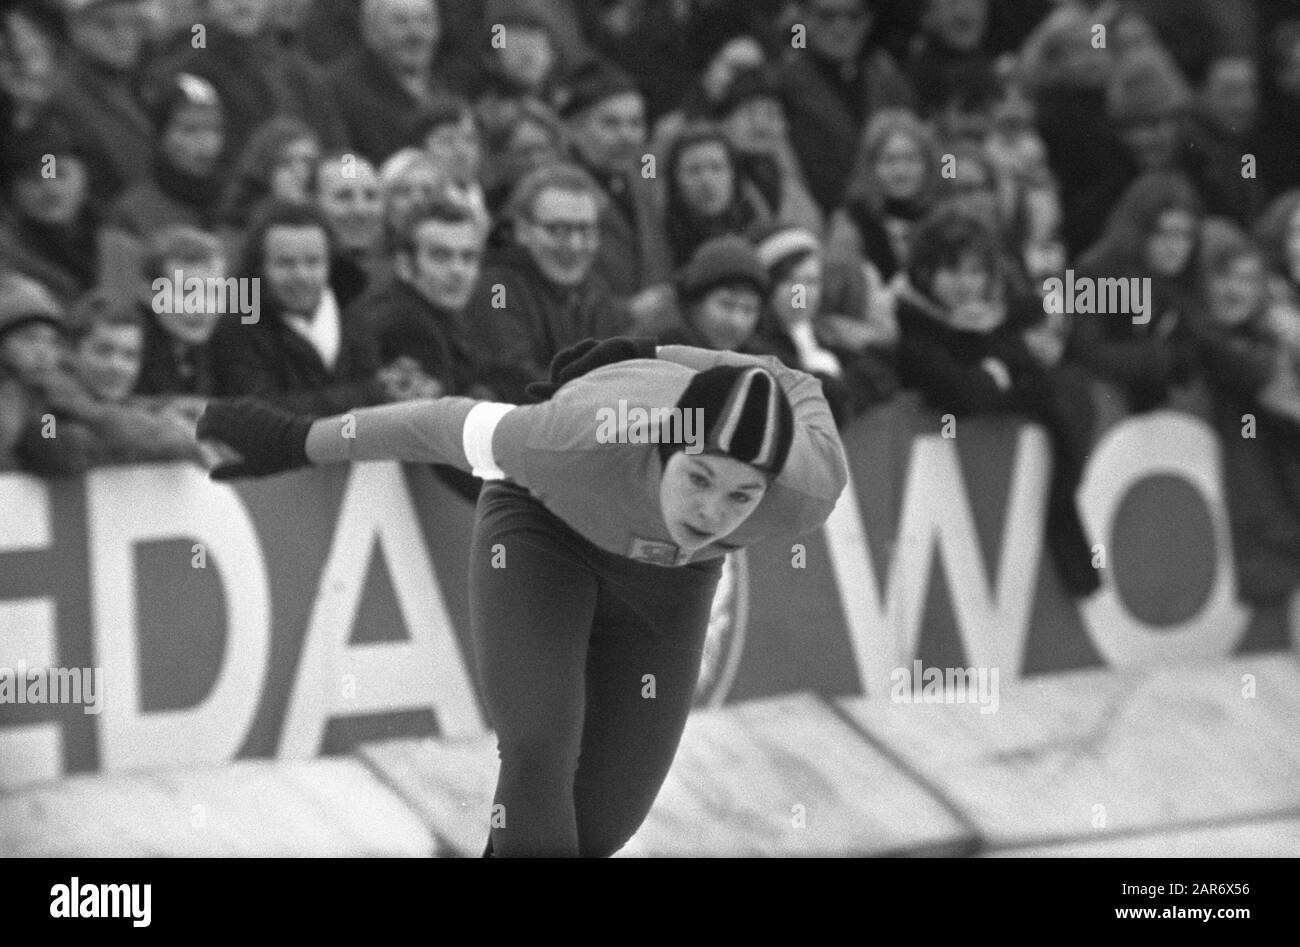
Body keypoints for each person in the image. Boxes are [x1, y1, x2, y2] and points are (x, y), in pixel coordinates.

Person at [194, 334, 849, 856]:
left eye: (742, 495)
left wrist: (658, 352)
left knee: (596, 829)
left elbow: (793, 378)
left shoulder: (808, 490)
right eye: (699, 477)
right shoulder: (574, 436)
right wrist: (291, 438)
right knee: (540, 746)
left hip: (671, 579)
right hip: (544, 533)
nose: (711, 512)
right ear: (665, 445)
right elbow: (434, 423)